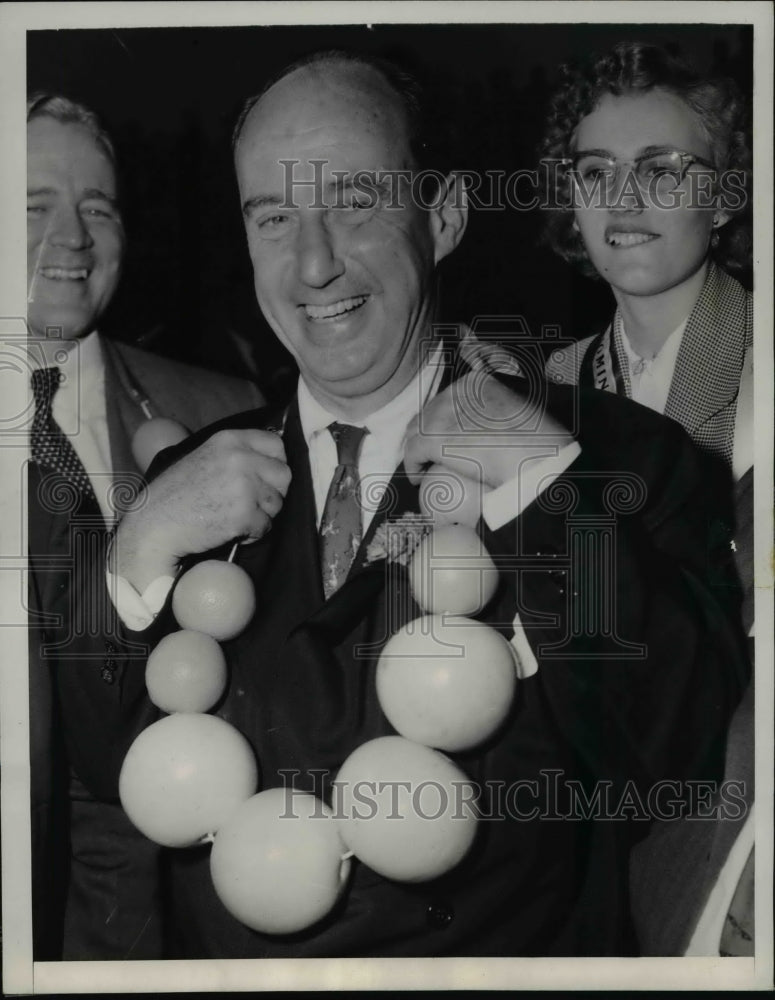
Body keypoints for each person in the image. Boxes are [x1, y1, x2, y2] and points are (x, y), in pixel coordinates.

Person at [75, 51, 745, 958]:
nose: (313, 264)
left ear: (444, 215)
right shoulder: (187, 484)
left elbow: (676, 762)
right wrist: (133, 554)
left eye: (354, 203)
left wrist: (542, 487)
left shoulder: (609, 455)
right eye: (274, 218)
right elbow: (96, 770)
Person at [26, 93, 265, 960]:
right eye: (33, 206)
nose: (73, 237)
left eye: (98, 208)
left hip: (197, 928)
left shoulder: (226, 412)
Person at [538, 42, 754, 956]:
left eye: (662, 171)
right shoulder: (544, 386)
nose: (621, 200)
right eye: (595, 172)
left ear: (727, 193)